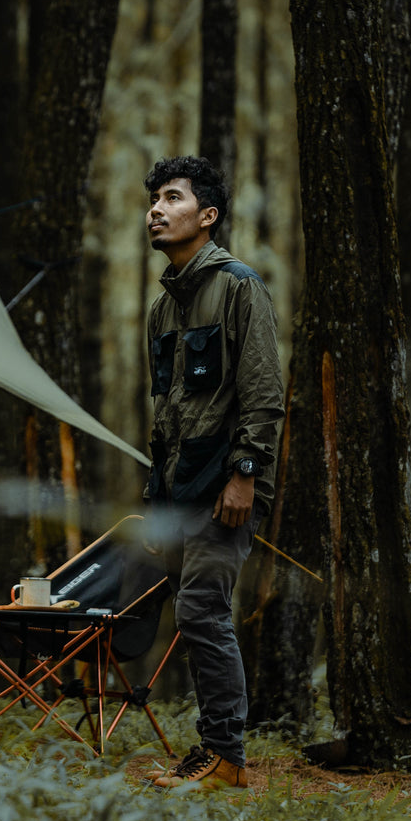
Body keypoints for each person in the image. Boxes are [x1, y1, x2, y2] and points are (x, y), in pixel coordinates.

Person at [139, 156, 284, 789]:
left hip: (228, 488)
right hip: (181, 490)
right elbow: (167, 414)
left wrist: (246, 473)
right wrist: (156, 498)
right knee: (194, 615)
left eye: (172, 198)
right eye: (153, 200)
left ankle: (225, 756)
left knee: (202, 611)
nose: (155, 209)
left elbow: (263, 390)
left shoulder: (238, 286)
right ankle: (216, 752)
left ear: (207, 215)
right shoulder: (162, 310)